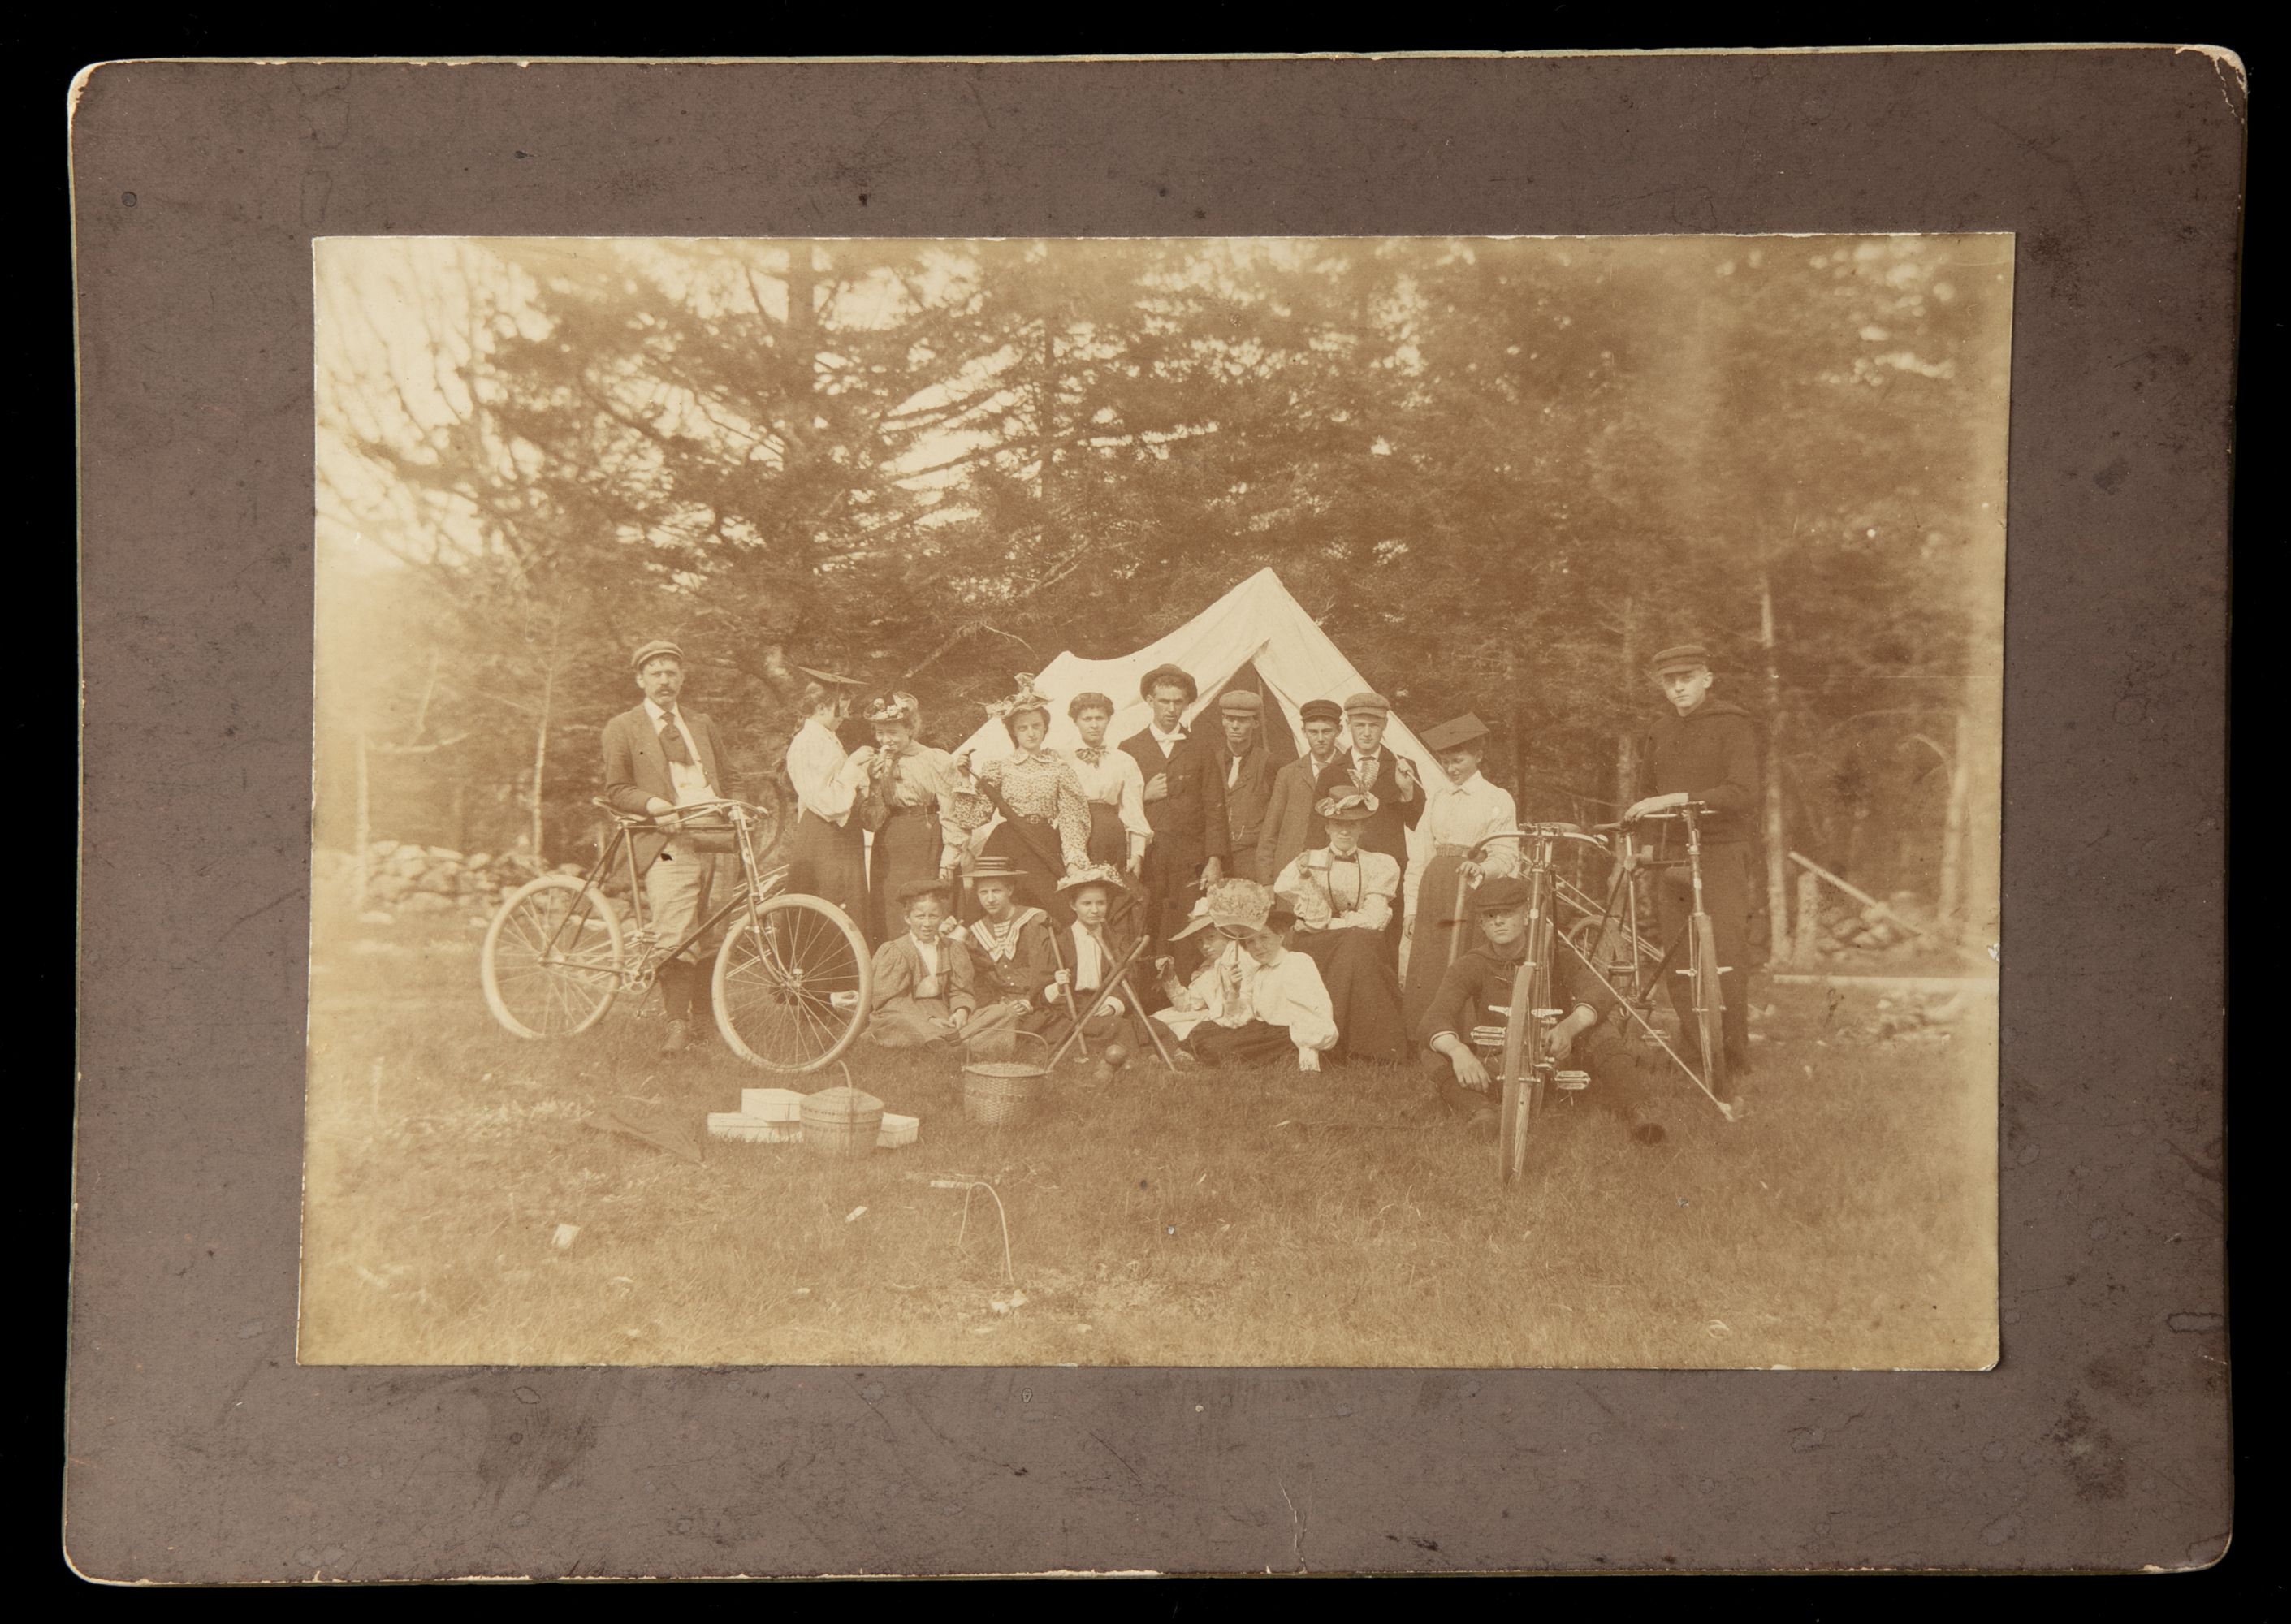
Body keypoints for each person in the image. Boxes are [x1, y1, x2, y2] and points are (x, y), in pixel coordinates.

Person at [1416, 875, 1665, 1144]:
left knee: (1601, 1028)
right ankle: (1481, 1111)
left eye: (1507, 913)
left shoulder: (1555, 955)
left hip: (1559, 1059)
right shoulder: (1472, 964)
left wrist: (1568, 1028)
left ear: (1526, 917)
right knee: (1432, 1050)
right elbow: (1434, 1017)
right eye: (1490, 916)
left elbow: (1599, 991)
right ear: (1482, 925)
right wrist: (1458, 1051)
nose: (1499, 921)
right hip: (1503, 1065)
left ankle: (1638, 1109)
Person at [1623, 643, 1759, 1091]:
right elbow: (1645, 793)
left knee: (1724, 951)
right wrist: (1643, 846)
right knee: (1678, 955)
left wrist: (1680, 799)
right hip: (1671, 852)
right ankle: (1690, 1046)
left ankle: (1733, 1053)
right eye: (1669, 680)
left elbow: (1742, 792)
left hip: (1721, 850)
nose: (1678, 687)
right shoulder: (1660, 730)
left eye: (1687, 678)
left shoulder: (1732, 724)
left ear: (1707, 678)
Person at [602, 638, 741, 1056]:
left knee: (714, 929)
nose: (665, 680)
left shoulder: (701, 723)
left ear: (682, 678)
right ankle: (676, 1024)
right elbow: (616, 789)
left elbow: (729, 778)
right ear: (640, 680)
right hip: (665, 839)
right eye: (656, 673)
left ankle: (705, 1020)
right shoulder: (623, 727)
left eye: (672, 672)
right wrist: (653, 803)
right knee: (677, 931)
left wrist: (736, 809)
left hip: (715, 836)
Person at [1401, 713, 1523, 1036]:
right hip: (1435, 887)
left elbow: (1507, 854)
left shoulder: (1496, 798)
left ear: (1478, 756)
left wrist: (1482, 868)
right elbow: (1420, 853)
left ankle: (1467, 1033)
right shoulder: (1438, 797)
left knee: (1464, 959)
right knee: (1430, 961)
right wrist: (1411, 907)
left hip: (1472, 891)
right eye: (1445, 762)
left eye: (1458, 760)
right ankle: (1427, 1034)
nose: (1451, 769)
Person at [1269, 791, 1411, 1065]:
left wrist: (1335, 924)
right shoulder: (1306, 862)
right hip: (1317, 942)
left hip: (1356, 939)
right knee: (1356, 943)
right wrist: (1309, 880)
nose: (1345, 831)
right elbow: (1314, 919)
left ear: (1362, 828)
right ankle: (1342, 1043)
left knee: (1359, 944)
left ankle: (1368, 1045)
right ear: (1327, 828)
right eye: (1338, 825)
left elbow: (1373, 921)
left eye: (1352, 825)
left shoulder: (1380, 864)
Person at [950, 676, 1094, 926]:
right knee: (984, 911)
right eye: (1023, 728)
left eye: (1036, 726)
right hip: (1005, 845)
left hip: (1043, 843)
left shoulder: (1059, 768)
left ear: (1045, 729)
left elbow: (1072, 819)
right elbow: (973, 817)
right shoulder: (998, 768)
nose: (1030, 733)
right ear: (1013, 732)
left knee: (1059, 911)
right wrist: (964, 779)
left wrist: (1073, 861)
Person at [1121, 663, 1231, 962]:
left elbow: (1215, 806)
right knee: (1148, 923)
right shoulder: (1129, 748)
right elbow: (1119, 807)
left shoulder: (1201, 748)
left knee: (1188, 926)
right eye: (1164, 701)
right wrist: (1144, 797)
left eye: (1177, 702)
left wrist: (1214, 859)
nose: (1171, 709)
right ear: (1149, 701)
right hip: (1150, 858)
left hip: (1190, 858)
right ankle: (1147, 998)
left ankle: (1188, 992)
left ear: (1185, 704)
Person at [1169, 879, 1338, 1072]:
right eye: (1251, 942)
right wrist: (1234, 991)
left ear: (1280, 936)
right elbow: (1244, 1014)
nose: (1258, 947)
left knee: (1217, 1047)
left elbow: (1314, 1015)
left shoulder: (1296, 962)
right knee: (1203, 1034)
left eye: (1264, 938)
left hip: (1290, 1034)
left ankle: (1287, 1058)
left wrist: (1308, 1059)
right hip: (1265, 1030)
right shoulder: (1260, 971)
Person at [1312, 692, 1424, 964]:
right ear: (1348, 725)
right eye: (1359, 725)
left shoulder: (1403, 767)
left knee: (1385, 945)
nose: (1366, 733)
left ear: (1384, 726)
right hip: (1343, 872)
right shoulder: (1332, 771)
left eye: (1373, 725)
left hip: (1386, 873)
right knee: (1346, 942)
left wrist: (1407, 789)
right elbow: (1315, 827)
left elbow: (1417, 821)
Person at [858, 692, 967, 947]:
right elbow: (871, 822)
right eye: (880, 733)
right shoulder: (875, 763)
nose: (886, 740)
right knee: (891, 913)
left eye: (893, 732)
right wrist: (874, 783)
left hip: (926, 840)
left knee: (928, 910)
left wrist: (949, 858)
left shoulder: (934, 759)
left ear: (910, 729)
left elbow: (951, 812)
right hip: (890, 845)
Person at [865, 878, 1018, 1053]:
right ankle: (959, 1043)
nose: (927, 924)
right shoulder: (895, 950)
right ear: (907, 918)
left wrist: (961, 1011)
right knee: (903, 1024)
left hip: (944, 1013)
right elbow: (889, 1000)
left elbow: (961, 991)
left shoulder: (953, 948)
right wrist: (929, 1019)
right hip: (907, 1013)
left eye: (934, 916)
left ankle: (945, 1044)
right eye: (920, 916)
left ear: (942, 918)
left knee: (1005, 1013)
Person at [781, 666, 873, 931]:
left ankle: (849, 971)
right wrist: (854, 765)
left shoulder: (827, 739)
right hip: (824, 836)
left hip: (839, 837)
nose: (845, 715)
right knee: (828, 906)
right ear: (822, 707)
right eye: (842, 706)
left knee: (842, 906)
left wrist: (866, 773)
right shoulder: (808, 741)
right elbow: (829, 803)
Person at [1064, 690, 1154, 931]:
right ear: (1076, 721)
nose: (1094, 725)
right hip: (1077, 835)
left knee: (1117, 902)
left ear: (1108, 720)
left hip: (1112, 838)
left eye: (1099, 718)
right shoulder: (1063, 760)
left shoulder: (1124, 760)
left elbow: (1133, 809)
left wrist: (1137, 854)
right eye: (1087, 719)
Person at [1035, 865, 1148, 1052]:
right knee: (1120, 1029)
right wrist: (1058, 986)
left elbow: (1127, 982)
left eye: (1101, 903)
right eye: (1087, 904)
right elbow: (1038, 995)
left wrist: (1113, 1004)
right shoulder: (1058, 942)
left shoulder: (1116, 942)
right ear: (1073, 905)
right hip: (1068, 1010)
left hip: (1102, 1005)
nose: (1095, 910)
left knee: (1141, 1026)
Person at [959, 855, 1064, 1054]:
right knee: (992, 1017)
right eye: (983, 892)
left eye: (996, 891)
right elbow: (980, 980)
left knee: (1036, 1025)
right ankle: (969, 1041)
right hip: (1000, 1004)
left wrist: (1028, 1001)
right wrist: (997, 1003)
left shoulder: (1035, 921)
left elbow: (1045, 969)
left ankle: (972, 1042)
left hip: (1036, 1001)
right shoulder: (977, 932)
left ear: (1010, 889)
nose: (990, 899)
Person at [1256, 697, 1347, 885]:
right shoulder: (1288, 774)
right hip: (1293, 870)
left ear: (1339, 731)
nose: (1320, 738)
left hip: (1337, 872)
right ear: (1304, 731)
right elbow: (1270, 831)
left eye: (1327, 731)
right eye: (1313, 732)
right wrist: (1266, 881)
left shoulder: (1349, 771)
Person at [1213, 689, 1278, 883]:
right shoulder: (1211, 763)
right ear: (1223, 721)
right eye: (1230, 718)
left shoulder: (1270, 764)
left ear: (1256, 723)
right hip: (1216, 859)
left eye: (1242, 720)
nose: (1235, 726)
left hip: (1252, 860)